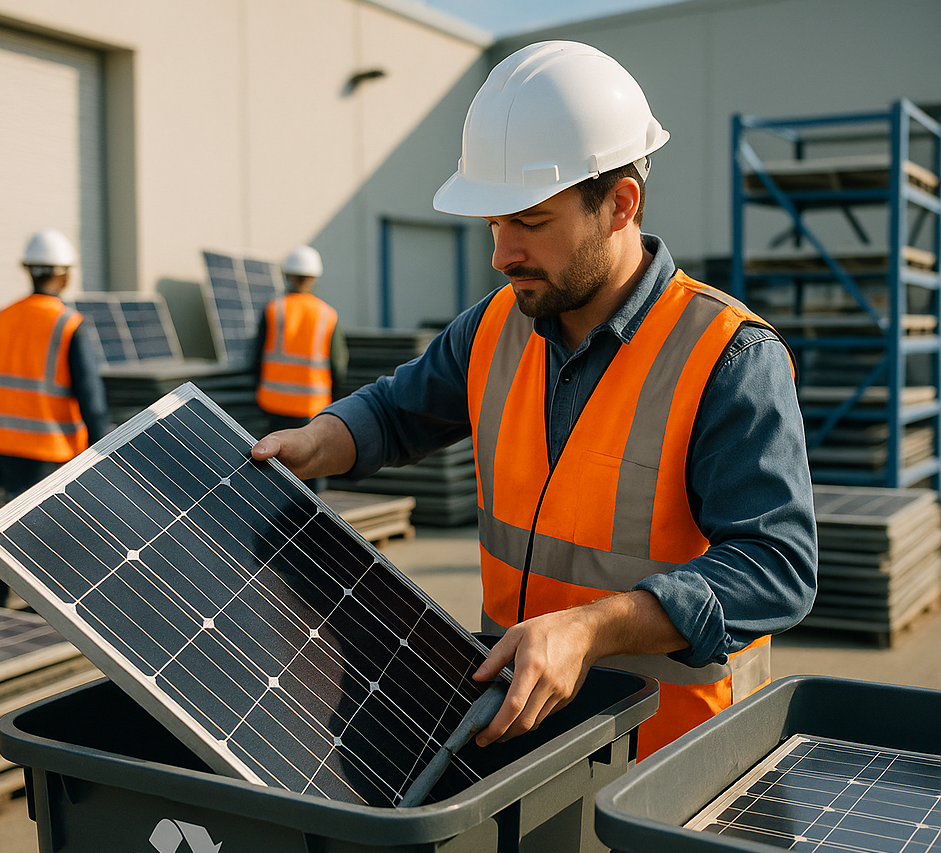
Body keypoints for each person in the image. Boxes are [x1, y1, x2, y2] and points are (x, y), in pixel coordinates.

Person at [251, 41, 817, 760]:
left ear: (620, 204)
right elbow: (397, 411)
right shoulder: (495, 325)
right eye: (494, 224)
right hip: (518, 740)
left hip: (666, 762)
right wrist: (319, 438)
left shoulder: (729, 356)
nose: (502, 253)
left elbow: (777, 566)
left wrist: (590, 627)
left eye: (530, 222)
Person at [0, 229, 109, 606]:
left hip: (5, 443)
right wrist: (102, 449)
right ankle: (49, 610)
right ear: (65, 273)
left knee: (2, 528)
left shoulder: (1, 317)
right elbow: (91, 398)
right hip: (52, 448)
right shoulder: (68, 323)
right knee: (51, 537)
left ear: (29, 270)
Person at [255, 245, 347, 493]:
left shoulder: (274, 309)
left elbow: (256, 358)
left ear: (288, 275)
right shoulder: (327, 314)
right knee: (311, 472)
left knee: (273, 468)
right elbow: (338, 366)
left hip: (273, 404)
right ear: (314, 277)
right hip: (311, 407)